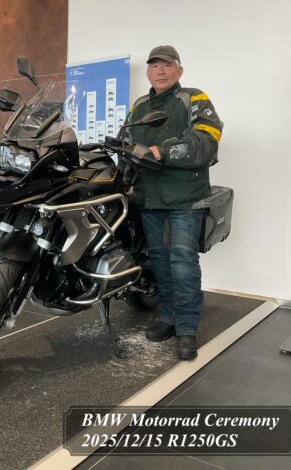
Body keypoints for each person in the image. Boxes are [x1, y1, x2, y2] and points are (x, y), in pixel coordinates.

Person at [122, 45, 222, 360]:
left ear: (179, 70)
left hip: (185, 199)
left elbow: (207, 143)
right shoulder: (139, 106)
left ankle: (187, 329)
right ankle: (168, 318)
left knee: (183, 264)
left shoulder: (194, 99)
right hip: (150, 199)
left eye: (167, 65)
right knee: (160, 264)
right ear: (148, 72)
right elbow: (126, 146)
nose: (160, 71)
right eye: (155, 66)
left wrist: (162, 152)